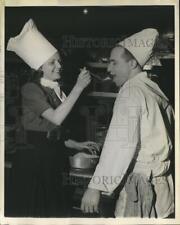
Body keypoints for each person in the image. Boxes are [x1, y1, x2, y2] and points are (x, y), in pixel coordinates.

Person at [6, 18, 99, 217]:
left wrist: (76, 144)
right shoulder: (30, 89)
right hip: (33, 161)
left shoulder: (55, 91)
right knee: (36, 210)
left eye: (59, 61)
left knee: (54, 210)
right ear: (39, 67)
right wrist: (79, 87)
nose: (59, 66)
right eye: (52, 62)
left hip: (51, 157)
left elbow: (52, 131)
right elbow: (56, 118)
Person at [81, 28, 174, 218]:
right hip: (163, 191)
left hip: (140, 189)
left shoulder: (130, 91)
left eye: (114, 63)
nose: (108, 69)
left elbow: (121, 144)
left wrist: (96, 186)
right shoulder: (154, 91)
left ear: (132, 64)